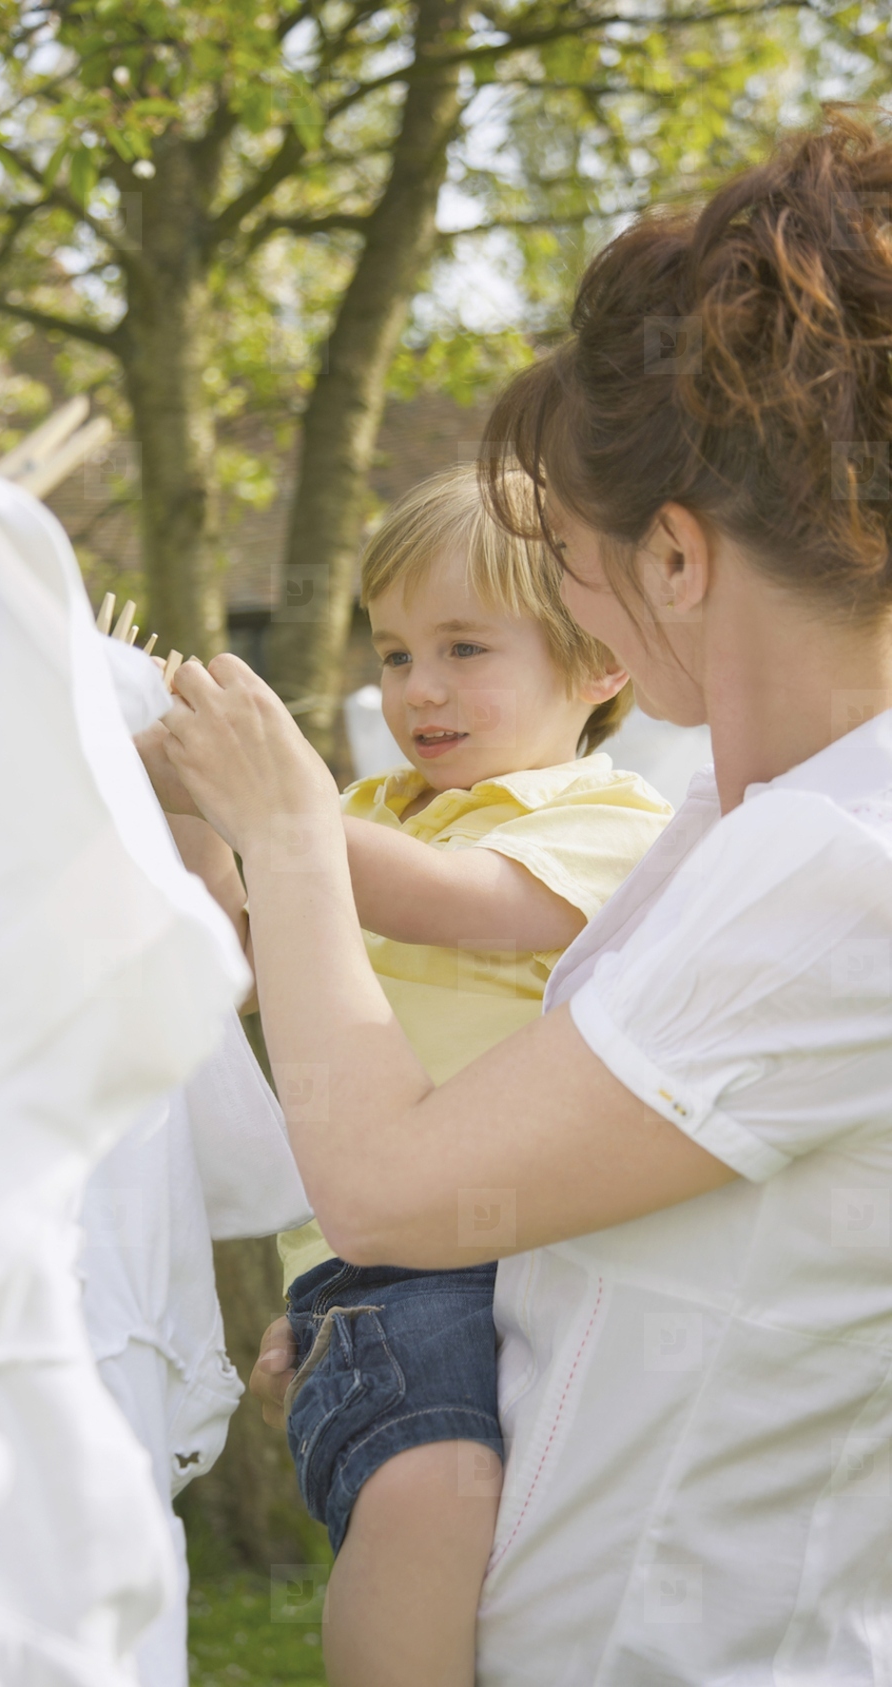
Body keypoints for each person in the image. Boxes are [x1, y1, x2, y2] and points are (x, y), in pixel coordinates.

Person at [159, 111, 892, 1687]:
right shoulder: (734, 824)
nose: (564, 594)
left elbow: (389, 1186)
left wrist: (291, 828)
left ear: (679, 563)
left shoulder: (848, 866)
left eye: (566, 554)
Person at [145, 465, 670, 1683]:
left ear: (600, 666)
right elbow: (233, 960)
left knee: (544, 1559)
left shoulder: (605, 817)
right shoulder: (366, 810)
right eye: (391, 656)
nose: (416, 690)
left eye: (463, 648)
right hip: (401, 1271)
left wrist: (276, 815)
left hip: (552, 1247)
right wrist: (186, 805)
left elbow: (461, 904)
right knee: (432, 1490)